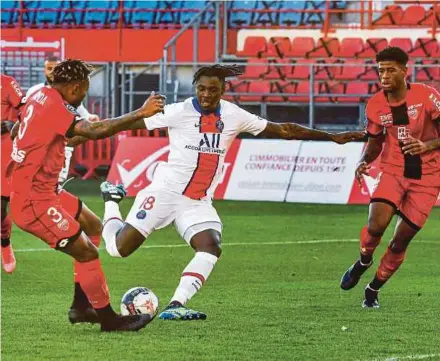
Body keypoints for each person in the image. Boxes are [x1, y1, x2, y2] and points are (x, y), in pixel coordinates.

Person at [99, 64, 366, 321]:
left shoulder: (234, 115)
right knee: (117, 250)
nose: (206, 94)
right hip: (164, 191)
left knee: (210, 246)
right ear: (195, 88)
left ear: (223, 90)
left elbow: (284, 129)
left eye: (212, 89)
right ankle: (112, 200)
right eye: (201, 88)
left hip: (197, 200)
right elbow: (126, 124)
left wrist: (332, 136)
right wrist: (82, 134)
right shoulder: (177, 112)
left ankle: (176, 304)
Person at [8, 59, 165, 332]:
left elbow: (20, 132)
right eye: (84, 91)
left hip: (45, 192)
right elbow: (94, 130)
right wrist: (140, 113)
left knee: (93, 226)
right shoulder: (53, 104)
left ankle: (81, 306)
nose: (84, 96)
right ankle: (108, 320)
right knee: (88, 253)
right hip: (34, 201)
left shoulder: (38, 96)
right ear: (76, 87)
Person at [340, 47, 440, 308]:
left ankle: (373, 289)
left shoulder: (427, 96)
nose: (384, 75)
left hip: (427, 178)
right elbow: (374, 144)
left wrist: (427, 146)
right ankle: (363, 260)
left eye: (391, 70)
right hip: (393, 171)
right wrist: (363, 162)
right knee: (375, 226)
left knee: (399, 241)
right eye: (381, 69)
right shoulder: (375, 104)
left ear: (405, 71)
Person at [26, 55, 100, 184]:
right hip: (37, 148)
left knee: (55, 185)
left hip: (62, 147)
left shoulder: (68, 92)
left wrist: (90, 117)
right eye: (49, 68)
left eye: (55, 69)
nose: (52, 72)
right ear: (44, 70)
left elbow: (81, 112)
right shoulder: (34, 91)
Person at [1, 73, 26, 273]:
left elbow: (26, 110)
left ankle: (4, 242)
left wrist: (11, 125)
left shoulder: (7, 83)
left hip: (4, 150)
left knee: (1, 207)